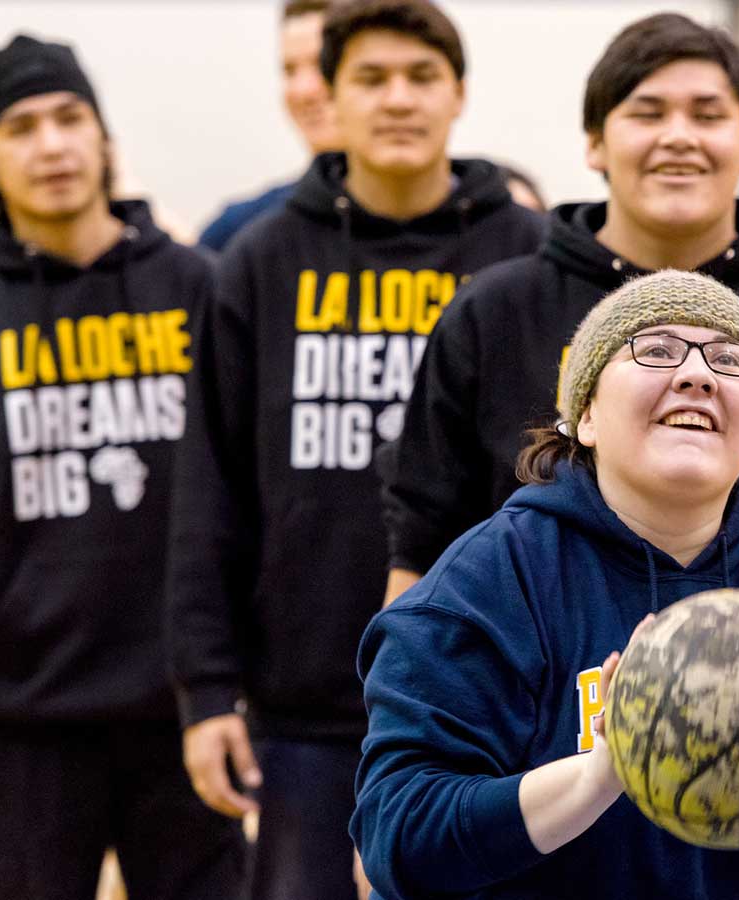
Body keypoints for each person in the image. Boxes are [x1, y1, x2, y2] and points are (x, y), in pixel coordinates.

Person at [353, 270, 739, 900]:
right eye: (656, 350)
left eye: (728, 359)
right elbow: (401, 838)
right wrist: (599, 777)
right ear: (584, 416)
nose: (698, 375)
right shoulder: (489, 582)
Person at [381, 14, 739, 657]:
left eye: (708, 115)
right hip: (527, 725)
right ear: (594, 142)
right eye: (647, 113)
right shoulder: (495, 312)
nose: (679, 137)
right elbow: (422, 539)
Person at [166, 2, 545, 898]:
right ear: (329, 98)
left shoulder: (528, 256)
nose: (398, 100)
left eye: (421, 77)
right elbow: (207, 490)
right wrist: (207, 689)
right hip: (307, 711)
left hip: (504, 702)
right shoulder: (259, 263)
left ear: (460, 95)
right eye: (371, 79)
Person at [0, 34, 244, 899]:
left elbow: (247, 504)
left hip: (181, 714)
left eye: (71, 119)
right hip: (18, 728)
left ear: (105, 141)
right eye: (21, 128)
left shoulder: (199, 289)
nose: (53, 146)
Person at [198, 0, 345, 251]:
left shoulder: (429, 225)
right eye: (289, 71)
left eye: (322, 64)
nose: (303, 90)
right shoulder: (239, 230)